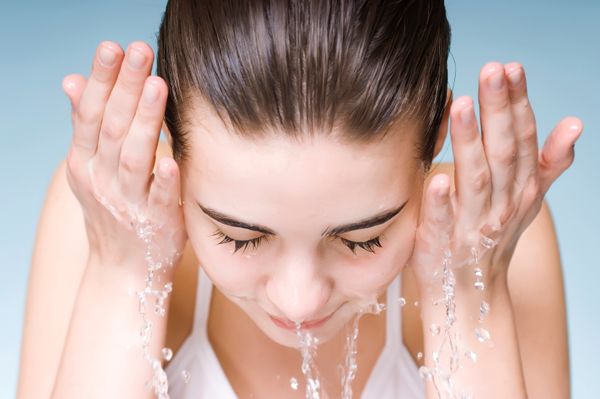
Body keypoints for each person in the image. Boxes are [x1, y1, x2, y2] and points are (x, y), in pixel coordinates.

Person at [17, 0, 580, 398]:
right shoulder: (104, 216)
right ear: (172, 148)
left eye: (364, 239)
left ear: (433, 145)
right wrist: (123, 270)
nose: (300, 301)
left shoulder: (486, 233)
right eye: (239, 237)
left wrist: (465, 284)